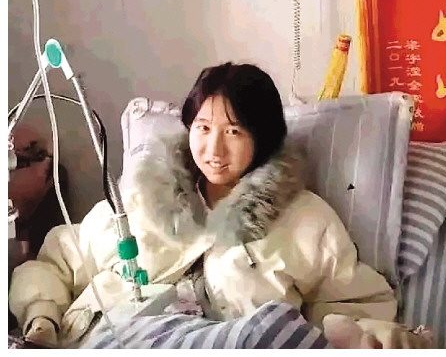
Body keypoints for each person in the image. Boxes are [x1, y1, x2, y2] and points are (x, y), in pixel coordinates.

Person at [9, 62, 397, 348]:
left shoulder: (306, 221)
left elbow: (355, 303)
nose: (214, 149)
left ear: (263, 137)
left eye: (234, 132)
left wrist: (357, 334)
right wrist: (42, 316)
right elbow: (58, 260)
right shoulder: (141, 200)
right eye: (204, 128)